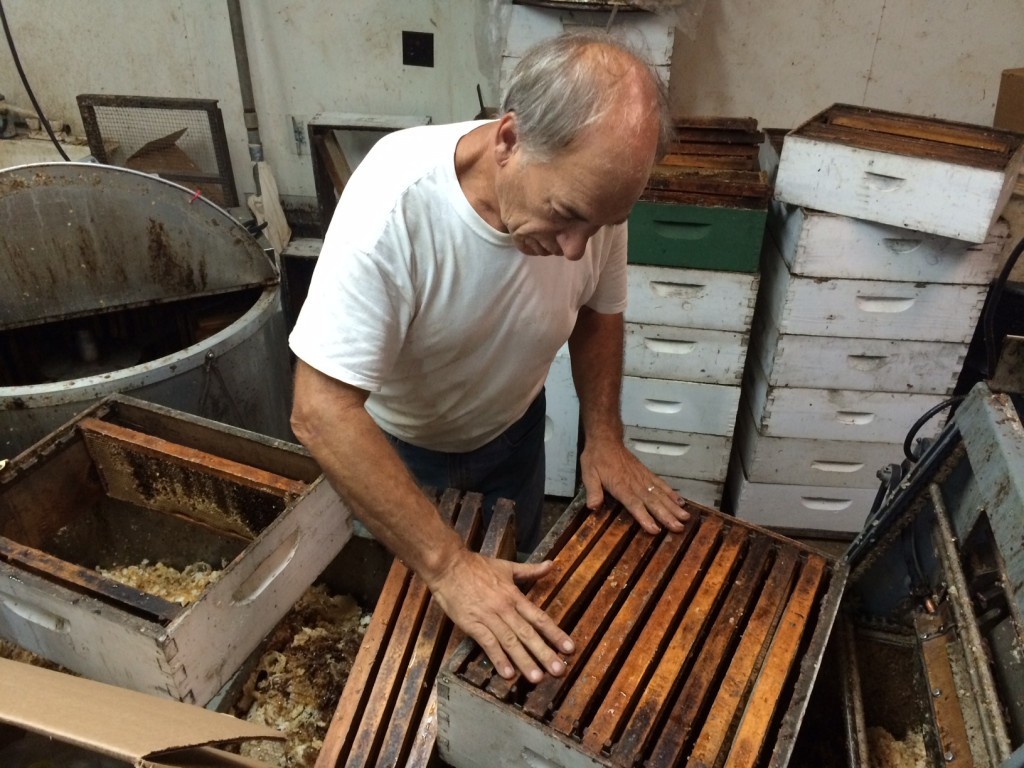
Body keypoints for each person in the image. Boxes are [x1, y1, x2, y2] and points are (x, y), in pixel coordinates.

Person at [289, 30, 690, 684]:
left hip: (513, 441)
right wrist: (446, 565)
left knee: (510, 624)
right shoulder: (395, 202)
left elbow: (598, 311)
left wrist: (605, 436)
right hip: (401, 456)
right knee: (410, 643)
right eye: (564, 216)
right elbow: (320, 410)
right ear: (508, 140)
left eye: (597, 225)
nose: (574, 250)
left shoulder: (592, 205)